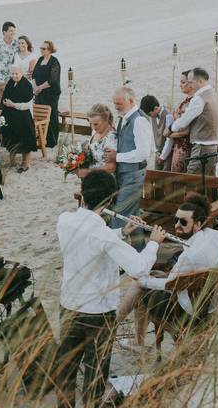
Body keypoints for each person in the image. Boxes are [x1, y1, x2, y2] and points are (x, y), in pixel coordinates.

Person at [55, 171, 157, 408]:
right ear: (112, 199)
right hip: (97, 314)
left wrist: (122, 232)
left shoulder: (64, 220)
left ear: (83, 194)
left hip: (68, 305)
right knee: (95, 372)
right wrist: (154, 243)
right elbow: (139, 269)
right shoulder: (102, 234)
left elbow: (91, 239)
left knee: (66, 369)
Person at [117, 194, 218, 345]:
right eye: (176, 220)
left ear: (198, 224)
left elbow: (170, 284)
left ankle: (125, 332)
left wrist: (144, 282)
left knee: (139, 285)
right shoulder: (214, 234)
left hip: (187, 307)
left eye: (184, 222)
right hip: (210, 302)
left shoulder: (189, 257)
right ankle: (121, 327)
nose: (177, 225)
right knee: (152, 275)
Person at [104, 87, 154, 231]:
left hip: (133, 175)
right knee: (132, 216)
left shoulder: (139, 120)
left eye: (119, 103)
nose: (115, 107)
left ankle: (116, 245)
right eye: (114, 103)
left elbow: (143, 153)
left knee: (119, 215)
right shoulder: (124, 118)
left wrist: (117, 156)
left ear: (131, 101)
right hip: (124, 174)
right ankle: (138, 249)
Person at [170, 68, 218, 176]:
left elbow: (184, 121)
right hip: (214, 145)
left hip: (202, 147)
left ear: (200, 81)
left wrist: (171, 127)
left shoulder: (199, 98)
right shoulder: (216, 96)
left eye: (191, 82)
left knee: (191, 181)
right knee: (209, 184)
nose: (190, 85)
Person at [0, 64, 37, 172]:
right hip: (9, 115)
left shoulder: (27, 85)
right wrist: (4, 102)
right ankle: (12, 161)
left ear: (22, 73)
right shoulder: (10, 82)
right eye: (12, 74)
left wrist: (14, 105)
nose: (14, 76)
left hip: (23, 116)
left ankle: (25, 163)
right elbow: (4, 96)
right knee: (8, 134)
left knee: (25, 138)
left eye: (16, 74)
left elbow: (27, 104)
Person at [32, 40, 62, 148]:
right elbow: (34, 75)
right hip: (39, 93)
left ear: (50, 50)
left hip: (51, 93)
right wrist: (35, 87)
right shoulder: (40, 59)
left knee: (51, 115)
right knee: (40, 115)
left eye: (44, 49)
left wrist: (40, 87)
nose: (41, 50)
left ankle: (52, 141)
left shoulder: (54, 62)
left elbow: (53, 80)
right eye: (40, 48)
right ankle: (41, 137)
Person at [76, 103, 116, 178]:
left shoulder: (111, 138)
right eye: (90, 123)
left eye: (96, 124)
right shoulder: (95, 132)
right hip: (92, 178)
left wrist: (89, 172)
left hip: (105, 180)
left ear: (106, 120)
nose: (93, 127)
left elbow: (112, 167)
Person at [167, 71, 195, 172]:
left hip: (184, 147)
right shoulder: (185, 101)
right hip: (178, 145)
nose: (180, 85)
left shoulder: (192, 103)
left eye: (183, 82)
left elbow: (186, 130)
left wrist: (168, 134)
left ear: (191, 84)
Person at [140, 95, 173, 171]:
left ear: (156, 108)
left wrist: (163, 156)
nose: (150, 117)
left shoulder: (168, 115)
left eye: (149, 114)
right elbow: (153, 135)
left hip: (167, 154)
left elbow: (170, 139)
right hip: (158, 153)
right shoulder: (153, 117)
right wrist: (156, 151)